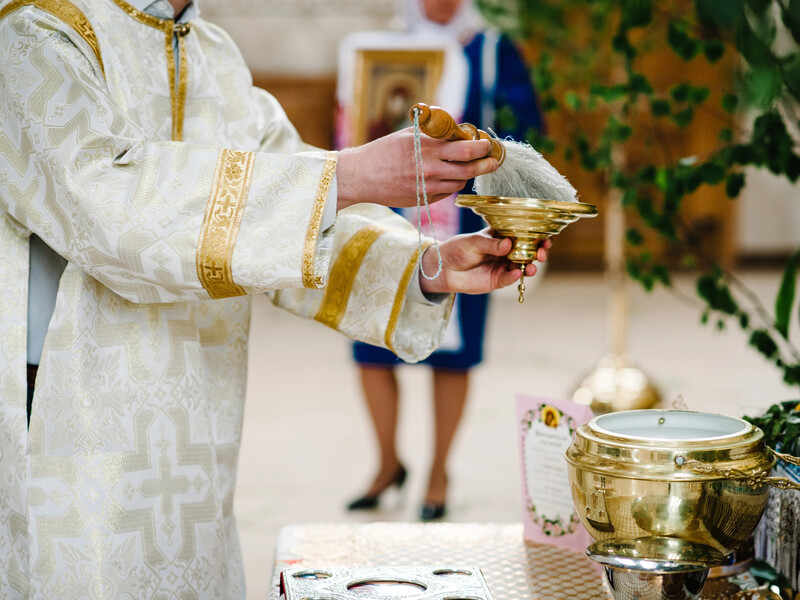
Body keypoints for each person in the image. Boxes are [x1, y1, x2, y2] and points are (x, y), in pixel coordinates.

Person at [0, 0, 548, 596]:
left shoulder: (215, 55)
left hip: (198, 423)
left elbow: (296, 221)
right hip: (68, 411)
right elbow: (106, 210)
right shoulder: (38, 31)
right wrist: (346, 176)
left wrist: (430, 265)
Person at [344, 0, 544, 521]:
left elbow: (527, 132)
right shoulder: (382, 47)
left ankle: (438, 473)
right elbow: (349, 132)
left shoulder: (492, 50)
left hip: (463, 221)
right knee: (371, 343)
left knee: (452, 352)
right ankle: (386, 463)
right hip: (383, 213)